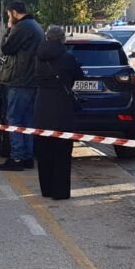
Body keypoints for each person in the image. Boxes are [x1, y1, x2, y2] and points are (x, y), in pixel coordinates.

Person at [33, 26, 82, 200]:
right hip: (62, 107)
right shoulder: (68, 57)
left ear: (47, 37)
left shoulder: (38, 56)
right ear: (62, 39)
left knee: (44, 151)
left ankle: (46, 189)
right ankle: (59, 191)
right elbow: (79, 75)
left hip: (42, 106)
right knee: (62, 151)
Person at [0, 1, 44, 171]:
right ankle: (27, 158)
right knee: (27, 120)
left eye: (9, 15)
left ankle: (16, 158)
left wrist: (8, 29)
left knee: (14, 119)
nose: (9, 18)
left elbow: (6, 48)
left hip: (20, 80)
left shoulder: (22, 27)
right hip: (32, 81)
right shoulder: (35, 25)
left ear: (14, 13)